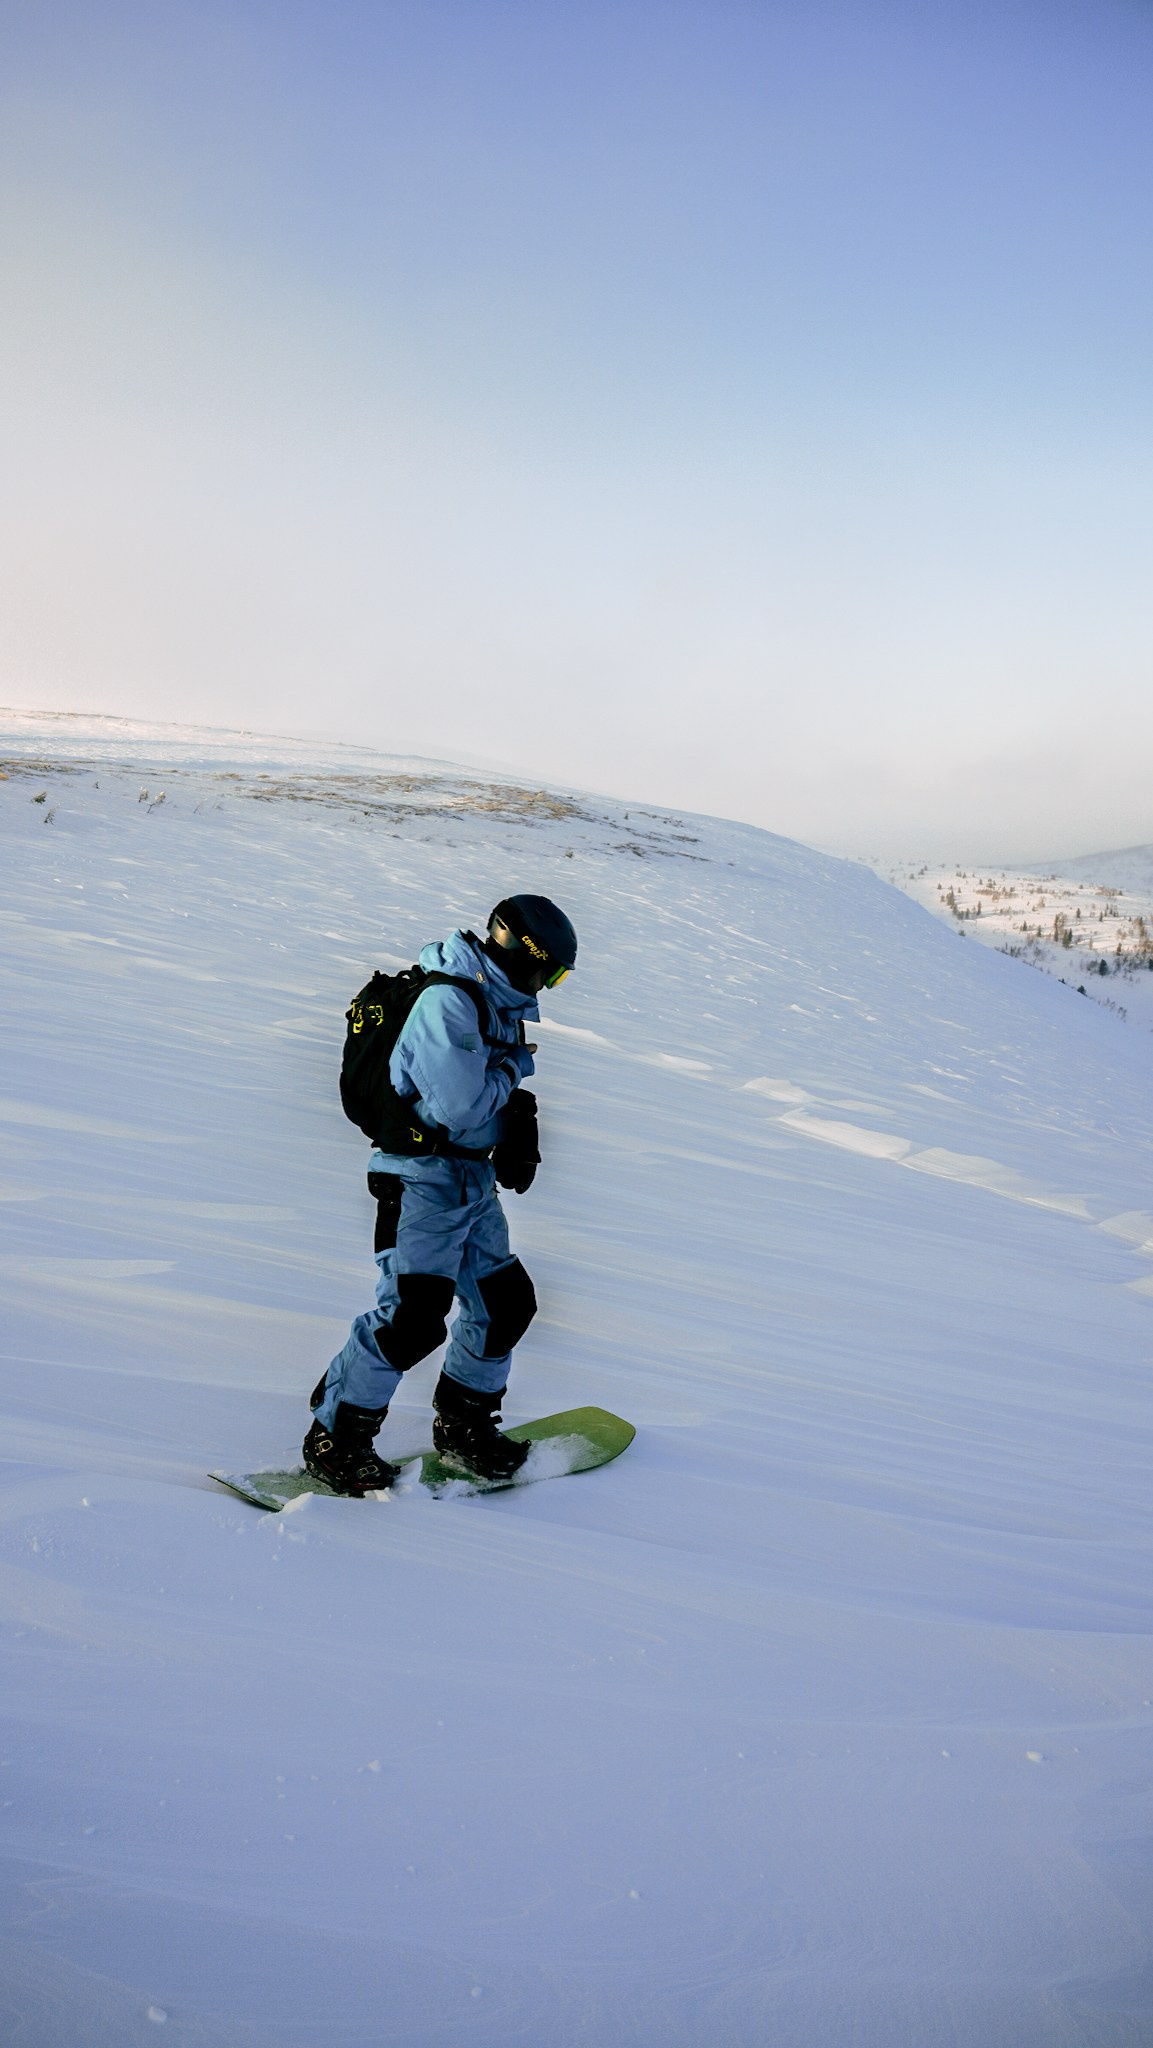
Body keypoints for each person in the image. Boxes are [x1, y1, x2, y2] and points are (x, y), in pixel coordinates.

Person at [304, 893, 578, 1493]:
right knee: (410, 1318)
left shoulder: (493, 1003)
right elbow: (459, 1104)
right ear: (524, 954)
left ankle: (465, 1426)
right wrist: (514, 1077)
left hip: (467, 1178)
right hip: (421, 1179)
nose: (549, 985)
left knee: (505, 1305)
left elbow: (475, 1101)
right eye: (550, 971)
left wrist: (514, 1127)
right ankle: (336, 1437)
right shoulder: (448, 1001)